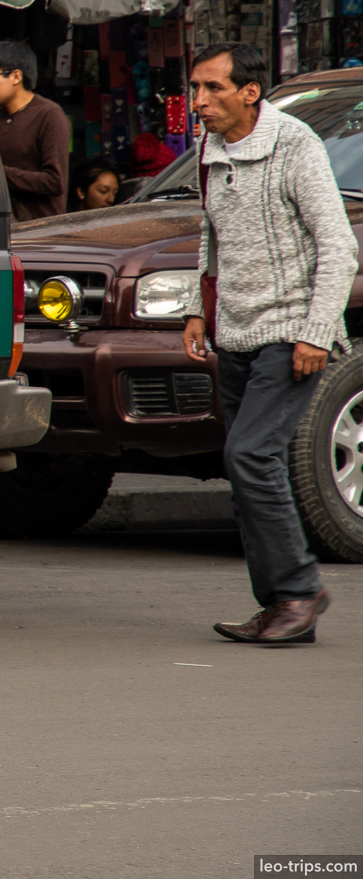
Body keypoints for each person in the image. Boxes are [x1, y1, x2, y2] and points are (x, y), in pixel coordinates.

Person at [181, 41, 352, 645]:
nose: (198, 101)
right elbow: (211, 233)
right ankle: (282, 605)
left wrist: (314, 332)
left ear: (249, 91)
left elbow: (338, 246)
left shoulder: (294, 143)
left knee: (248, 457)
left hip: (288, 332)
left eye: (212, 89)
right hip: (234, 330)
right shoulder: (210, 146)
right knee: (252, 466)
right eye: (195, 89)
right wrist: (197, 309)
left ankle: (301, 590)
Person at [0, 40, 70, 222]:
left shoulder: (49, 115)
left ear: (16, 77)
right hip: (2, 227)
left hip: (40, 232)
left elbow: (54, 182)